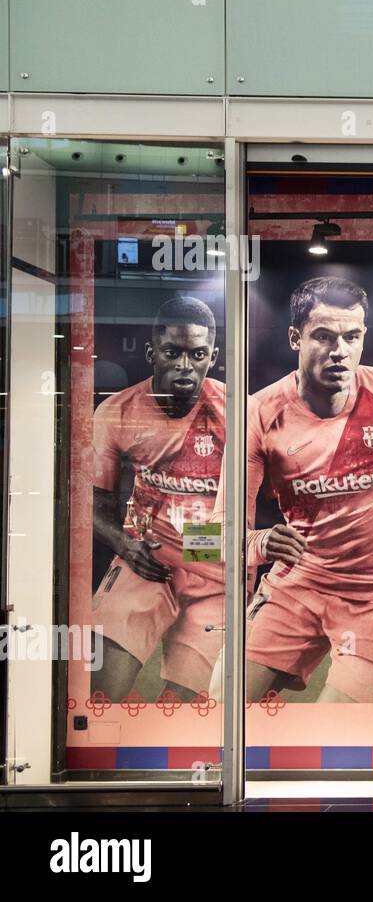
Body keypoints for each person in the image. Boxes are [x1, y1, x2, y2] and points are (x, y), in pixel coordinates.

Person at [213, 276, 373, 703]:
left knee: (338, 737)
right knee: (221, 709)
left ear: (364, 337)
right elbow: (206, 542)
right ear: (295, 337)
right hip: (297, 586)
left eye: (352, 336)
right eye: (324, 336)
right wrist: (260, 543)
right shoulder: (257, 415)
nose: (340, 351)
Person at [91, 297, 225, 702]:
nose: (185, 367)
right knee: (100, 696)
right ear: (153, 354)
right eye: (173, 353)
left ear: (212, 357)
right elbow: (93, 503)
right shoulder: (116, 412)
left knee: (183, 711)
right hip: (145, 554)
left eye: (197, 355)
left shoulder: (238, 413)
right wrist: (124, 544)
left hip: (212, 564)